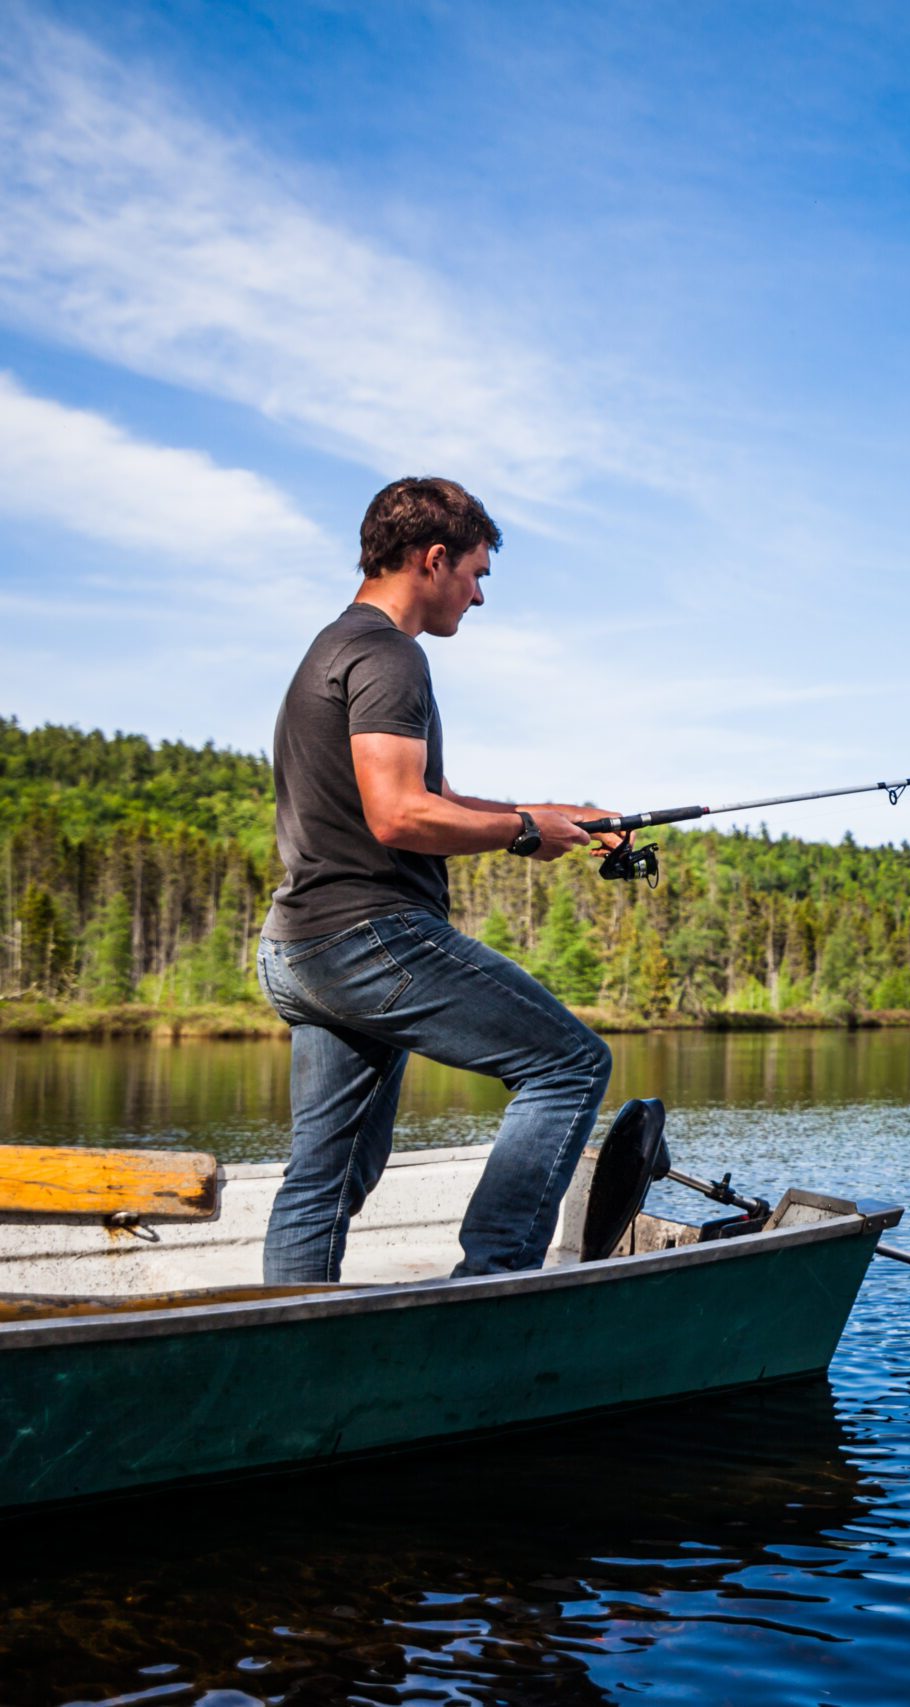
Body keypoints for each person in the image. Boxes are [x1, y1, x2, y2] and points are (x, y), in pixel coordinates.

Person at [256, 476, 622, 1282]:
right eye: (477, 573)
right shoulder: (391, 654)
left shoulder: (332, 647)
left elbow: (434, 798)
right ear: (433, 559)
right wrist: (524, 830)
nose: (480, 595)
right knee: (570, 1064)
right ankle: (492, 1285)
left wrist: (555, 815)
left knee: (324, 1177)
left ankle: (288, 1334)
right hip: (368, 940)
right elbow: (398, 815)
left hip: (301, 949)